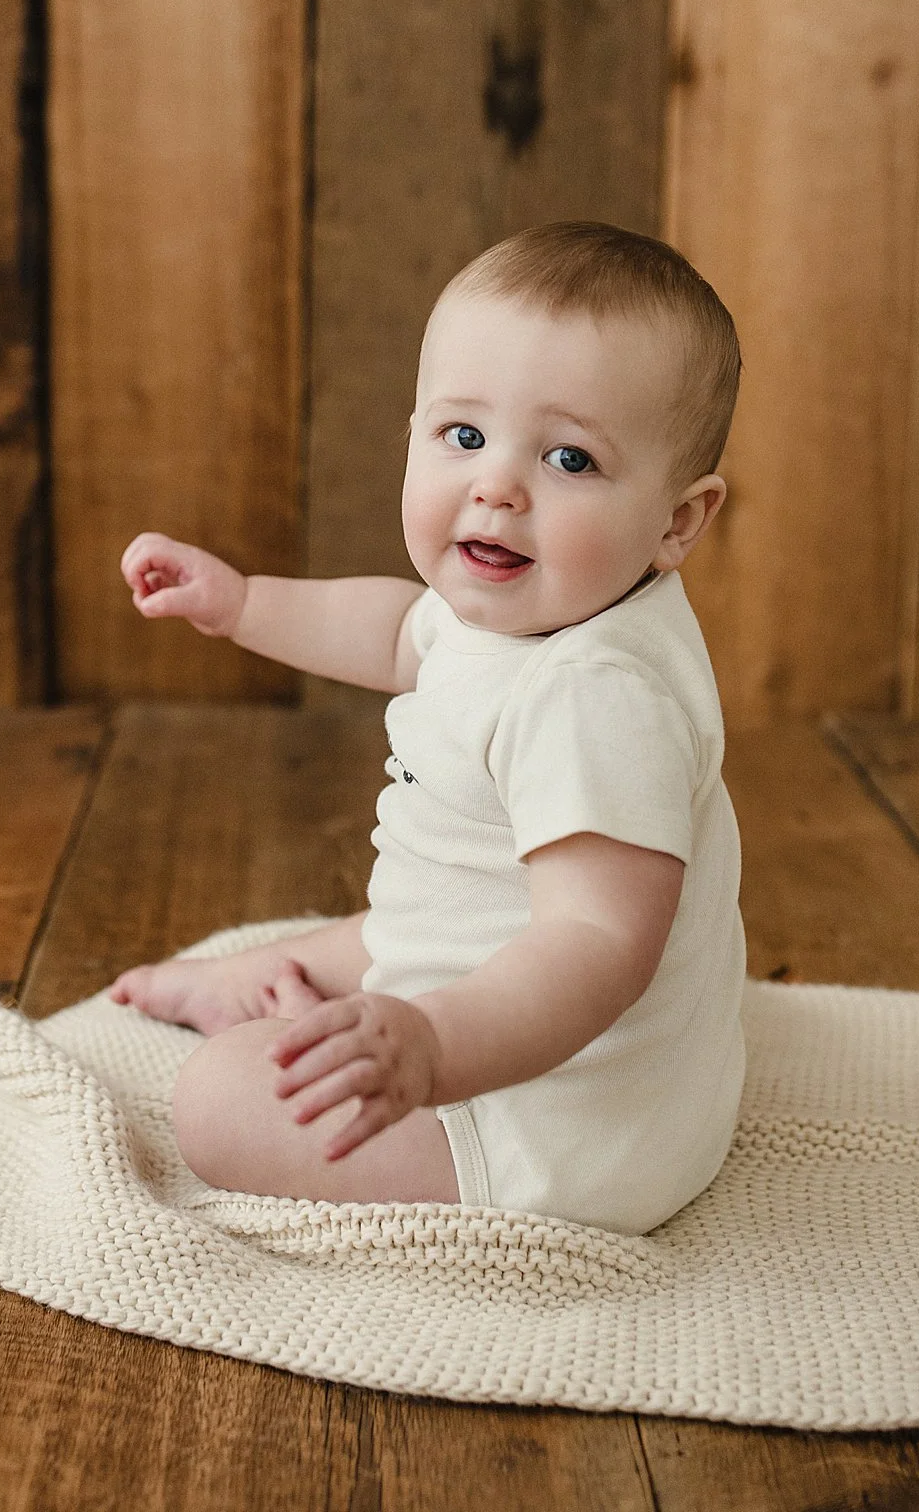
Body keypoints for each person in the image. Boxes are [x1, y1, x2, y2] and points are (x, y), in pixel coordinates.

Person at [110, 221, 746, 1234]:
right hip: (474, 959)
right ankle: (254, 980)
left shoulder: (597, 698)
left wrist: (432, 1044)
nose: (498, 484)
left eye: (571, 456)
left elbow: (596, 941)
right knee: (364, 940)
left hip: (557, 1124)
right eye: (463, 436)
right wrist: (240, 602)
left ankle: (326, 1030)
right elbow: (400, 628)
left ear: (678, 519)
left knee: (215, 1100)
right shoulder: (534, 605)